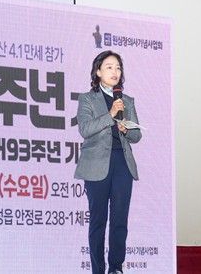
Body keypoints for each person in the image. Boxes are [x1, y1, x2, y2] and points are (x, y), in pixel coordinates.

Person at [74, 51, 142, 274]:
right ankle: (98, 270)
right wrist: (110, 115)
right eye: (109, 67)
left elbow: (137, 136)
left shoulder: (127, 100)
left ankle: (116, 268)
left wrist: (127, 129)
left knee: (120, 220)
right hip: (96, 165)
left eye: (118, 68)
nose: (115, 72)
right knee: (98, 221)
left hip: (122, 163)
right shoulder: (87, 99)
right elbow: (85, 129)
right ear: (98, 71)